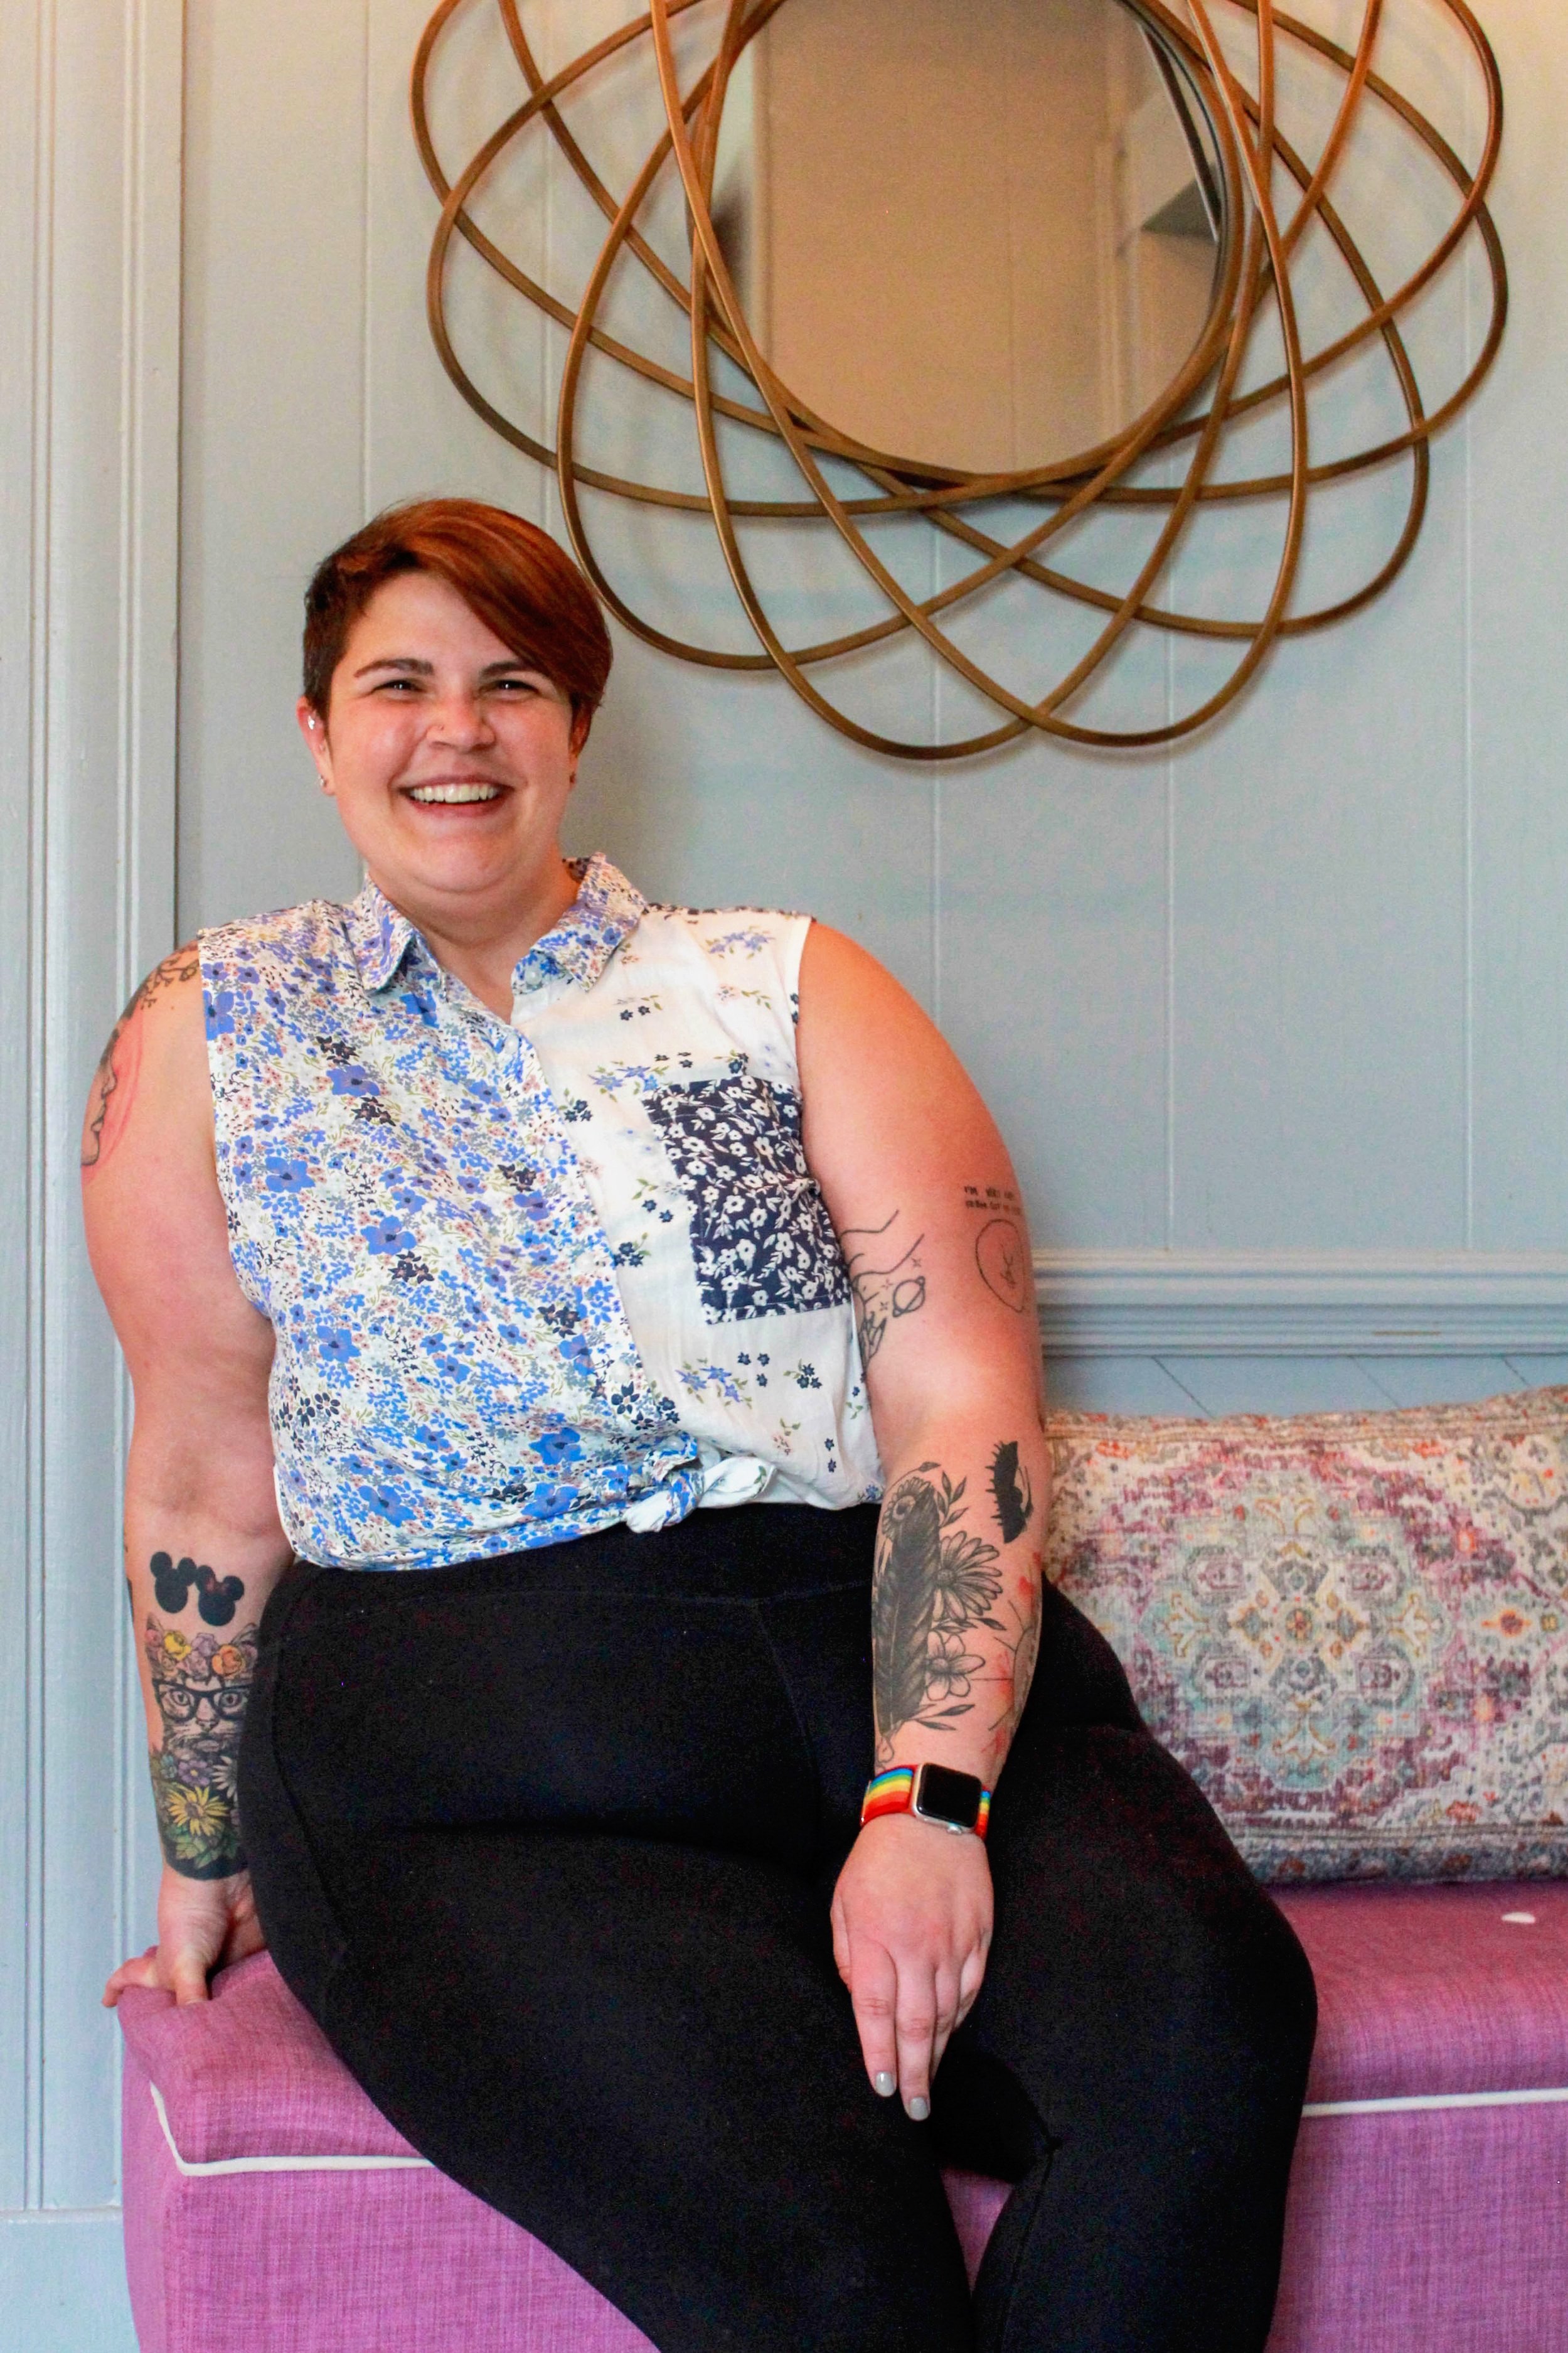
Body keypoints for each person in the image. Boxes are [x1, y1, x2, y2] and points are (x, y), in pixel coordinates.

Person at [86, 497, 1315, 2353]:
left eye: (511, 684)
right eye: (398, 685)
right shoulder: (214, 1030)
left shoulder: (789, 985)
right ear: (320, 735)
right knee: (825, 2256)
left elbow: (957, 1397)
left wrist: (927, 1805)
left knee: (1202, 2036)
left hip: (878, 1670)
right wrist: (202, 1849)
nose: (455, 730)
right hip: (482, 1760)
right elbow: (202, 1471)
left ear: (575, 729)